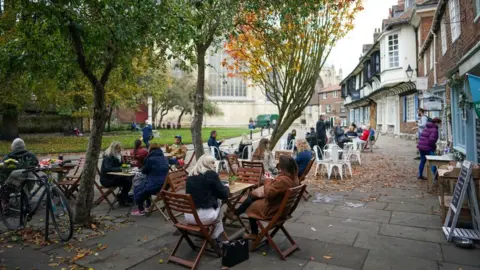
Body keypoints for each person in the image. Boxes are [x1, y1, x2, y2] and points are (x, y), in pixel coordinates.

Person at [225, 155, 300, 240]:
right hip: (283, 209)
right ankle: (235, 214)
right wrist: (272, 180)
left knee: (252, 204)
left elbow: (269, 194)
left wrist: (267, 180)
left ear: (283, 167)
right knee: (252, 197)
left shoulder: (283, 180)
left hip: (273, 210)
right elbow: (277, 189)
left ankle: (253, 232)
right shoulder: (294, 177)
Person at [185, 155, 229, 242]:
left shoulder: (190, 176)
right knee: (221, 202)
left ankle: (215, 235)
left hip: (189, 216)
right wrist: (226, 187)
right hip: (205, 218)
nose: (215, 165)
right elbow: (224, 195)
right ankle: (215, 236)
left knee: (217, 204)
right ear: (206, 164)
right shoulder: (211, 174)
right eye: (212, 163)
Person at [131, 143, 169, 216]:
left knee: (138, 187)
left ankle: (141, 210)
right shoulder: (164, 158)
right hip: (165, 186)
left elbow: (144, 171)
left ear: (150, 149)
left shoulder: (150, 159)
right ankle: (148, 206)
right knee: (144, 184)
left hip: (155, 186)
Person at [100, 142, 133, 206]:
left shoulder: (118, 155)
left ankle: (122, 197)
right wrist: (121, 168)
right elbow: (108, 168)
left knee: (128, 179)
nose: (120, 149)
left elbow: (121, 166)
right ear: (114, 149)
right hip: (107, 179)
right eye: (118, 148)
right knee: (127, 182)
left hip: (114, 177)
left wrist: (129, 164)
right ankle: (123, 198)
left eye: (120, 148)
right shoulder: (108, 157)